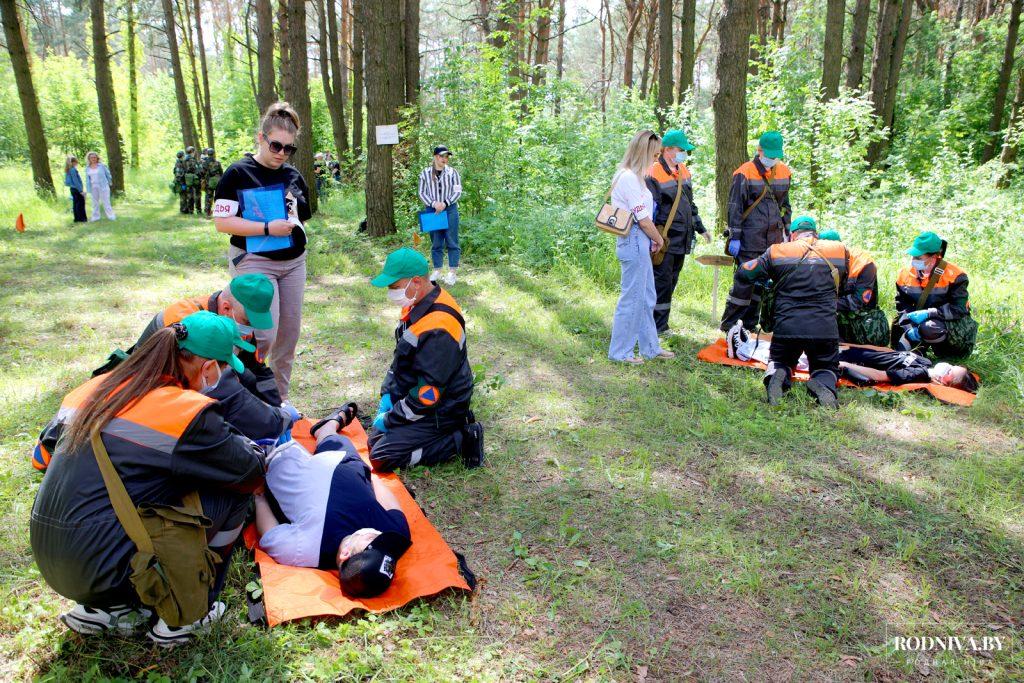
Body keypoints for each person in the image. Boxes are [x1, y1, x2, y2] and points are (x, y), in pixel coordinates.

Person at [30, 311, 266, 646]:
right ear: (209, 368)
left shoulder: (95, 387)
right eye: (225, 368)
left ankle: (107, 609)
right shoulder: (184, 413)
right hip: (108, 566)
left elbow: (42, 458)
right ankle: (190, 610)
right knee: (232, 495)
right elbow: (250, 470)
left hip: (52, 560)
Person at [213, 101, 312, 401]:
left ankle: (277, 400)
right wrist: (267, 228)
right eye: (276, 145)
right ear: (261, 137)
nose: (281, 153)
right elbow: (222, 222)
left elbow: (304, 214)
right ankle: (239, 394)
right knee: (261, 335)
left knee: (287, 337)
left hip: (293, 263)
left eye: (289, 149)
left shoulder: (292, 175)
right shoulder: (237, 173)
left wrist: (294, 211)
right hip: (254, 261)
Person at [254, 414, 413, 598]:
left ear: (345, 553)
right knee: (331, 436)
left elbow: (270, 533)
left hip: (290, 465)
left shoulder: (306, 549)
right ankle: (329, 425)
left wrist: (259, 496)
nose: (379, 536)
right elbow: (387, 498)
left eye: (373, 541)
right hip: (346, 460)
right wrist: (369, 476)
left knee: (270, 425)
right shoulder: (394, 533)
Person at [367, 248, 484, 472]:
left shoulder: (439, 327)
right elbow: (402, 358)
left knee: (381, 456)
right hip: (424, 393)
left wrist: (392, 418)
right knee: (374, 439)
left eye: (394, 287)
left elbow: (428, 394)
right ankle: (434, 431)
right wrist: (389, 394)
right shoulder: (418, 304)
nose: (391, 293)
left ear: (417, 282)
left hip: (442, 406)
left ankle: (460, 438)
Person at [735, 216, 849, 407]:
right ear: (816, 233)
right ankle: (823, 384)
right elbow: (843, 285)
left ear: (792, 234)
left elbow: (744, 272)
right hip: (824, 327)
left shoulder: (778, 251)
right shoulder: (839, 250)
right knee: (825, 366)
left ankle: (777, 375)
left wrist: (767, 280)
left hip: (787, 325)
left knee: (780, 360)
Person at [607, 130, 673, 364]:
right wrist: (659, 238)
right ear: (643, 152)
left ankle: (650, 347)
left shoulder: (636, 178)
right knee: (632, 298)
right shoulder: (627, 178)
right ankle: (620, 352)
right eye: (654, 155)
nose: (656, 160)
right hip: (634, 238)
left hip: (640, 239)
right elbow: (642, 217)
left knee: (646, 297)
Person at [720, 131, 792, 332]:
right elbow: (735, 207)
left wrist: (787, 230)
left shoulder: (784, 172)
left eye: (775, 155)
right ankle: (729, 325)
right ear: (759, 150)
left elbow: (785, 205)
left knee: (761, 285)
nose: (772, 159)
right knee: (744, 284)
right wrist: (735, 237)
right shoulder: (744, 172)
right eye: (769, 154)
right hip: (750, 239)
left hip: (773, 240)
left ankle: (750, 325)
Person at [645, 129, 710, 334]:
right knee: (661, 282)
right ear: (668, 150)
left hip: (682, 237)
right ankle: (657, 326)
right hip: (663, 237)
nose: (684, 153)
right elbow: (650, 209)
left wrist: (701, 229)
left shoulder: (683, 170)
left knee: (671, 281)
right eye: (681, 149)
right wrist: (652, 239)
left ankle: (660, 324)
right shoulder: (653, 172)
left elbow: (689, 204)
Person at [892, 231, 977, 359]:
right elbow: (902, 304)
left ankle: (945, 354)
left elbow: (958, 309)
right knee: (897, 327)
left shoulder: (955, 276)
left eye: (918, 258)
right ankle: (918, 350)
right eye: (913, 257)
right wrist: (909, 327)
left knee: (930, 328)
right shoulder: (905, 274)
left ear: (933, 258)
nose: (913, 261)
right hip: (917, 318)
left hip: (947, 321)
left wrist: (929, 313)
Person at [818, 230, 889, 347]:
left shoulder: (864, 264)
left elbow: (858, 301)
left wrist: (823, 303)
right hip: (833, 312)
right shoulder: (817, 261)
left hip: (861, 317)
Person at [417, 145, 463, 286]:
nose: (444, 159)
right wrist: (434, 203)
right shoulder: (425, 173)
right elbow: (421, 192)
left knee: (452, 240)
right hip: (433, 210)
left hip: (449, 210)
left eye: (446, 156)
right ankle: (437, 270)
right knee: (436, 241)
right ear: (435, 157)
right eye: (442, 156)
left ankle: (452, 272)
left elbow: (457, 191)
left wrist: (445, 203)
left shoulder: (453, 173)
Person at [838, 346, 978, 392]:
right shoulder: (926, 362)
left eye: (950, 371)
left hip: (847, 358)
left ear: (943, 382)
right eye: (952, 366)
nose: (948, 366)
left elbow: (879, 375)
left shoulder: (916, 374)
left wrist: (842, 364)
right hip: (850, 350)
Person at [85, 151, 116, 222]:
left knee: (106, 201)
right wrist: (88, 188)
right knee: (94, 202)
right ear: (89, 159)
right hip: (93, 187)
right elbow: (87, 179)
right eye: (91, 157)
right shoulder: (87, 168)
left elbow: (108, 175)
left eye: (94, 157)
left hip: (103, 186)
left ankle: (111, 216)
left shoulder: (102, 166)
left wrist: (110, 182)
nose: (93, 159)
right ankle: (95, 217)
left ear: (97, 158)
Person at [64, 155, 87, 223]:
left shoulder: (68, 169)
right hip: (76, 189)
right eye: (76, 161)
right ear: (73, 162)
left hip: (72, 189)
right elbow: (76, 181)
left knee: (76, 203)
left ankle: (77, 219)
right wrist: (81, 191)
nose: (77, 163)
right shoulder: (73, 170)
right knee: (80, 203)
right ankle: (82, 219)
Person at [202, 148, 223, 217]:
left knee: (208, 197)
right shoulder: (217, 162)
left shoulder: (204, 163)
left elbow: (202, 173)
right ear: (214, 154)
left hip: (208, 182)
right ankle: (219, 212)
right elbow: (221, 172)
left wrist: (203, 180)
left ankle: (208, 212)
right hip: (217, 182)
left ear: (207, 154)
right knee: (218, 196)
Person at [183, 146, 200, 214]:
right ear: (192, 152)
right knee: (197, 194)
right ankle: (198, 210)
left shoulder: (184, 160)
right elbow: (196, 169)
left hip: (187, 179)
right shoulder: (193, 160)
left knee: (190, 195)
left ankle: (191, 210)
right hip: (194, 179)